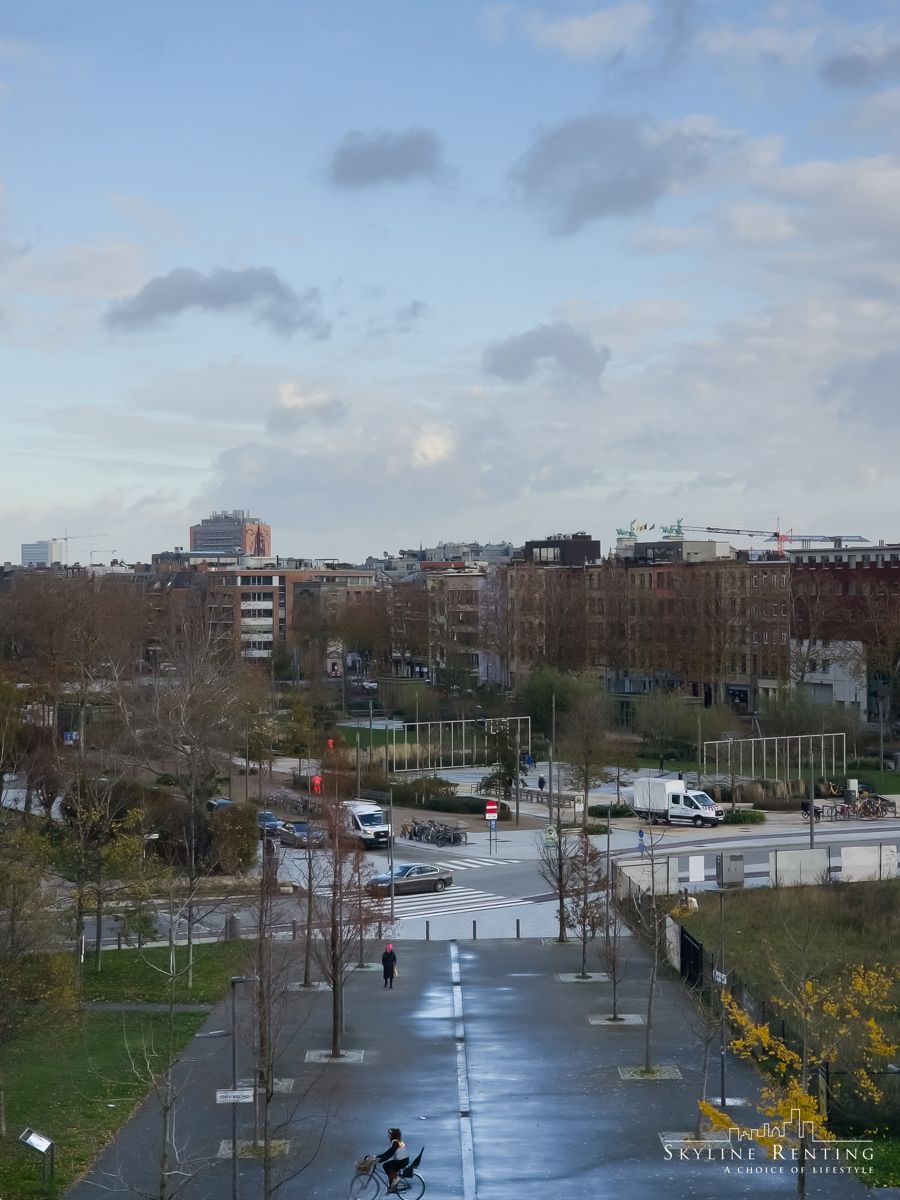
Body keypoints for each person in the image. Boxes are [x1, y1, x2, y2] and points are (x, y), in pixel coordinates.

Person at [376, 1127, 408, 1192]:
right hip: (404, 1160)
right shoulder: (398, 1141)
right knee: (389, 1167)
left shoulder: (395, 1142)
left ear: (393, 1135)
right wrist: (379, 1156)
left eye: (389, 1135)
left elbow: (390, 1154)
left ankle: (394, 1181)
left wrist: (380, 1160)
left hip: (401, 1161)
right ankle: (393, 1182)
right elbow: (389, 1152)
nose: (388, 1136)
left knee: (385, 1165)